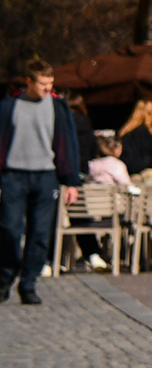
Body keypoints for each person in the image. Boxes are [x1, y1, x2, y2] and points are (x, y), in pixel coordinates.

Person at [4, 67, 91, 304]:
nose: (48, 88)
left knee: (40, 233)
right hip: (14, 175)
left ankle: (29, 283)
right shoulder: (10, 104)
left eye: (50, 83)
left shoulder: (58, 106)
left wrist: (71, 181)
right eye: (43, 83)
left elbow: (67, 143)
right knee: (10, 230)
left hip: (46, 176)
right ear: (29, 81)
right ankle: (5, 277)